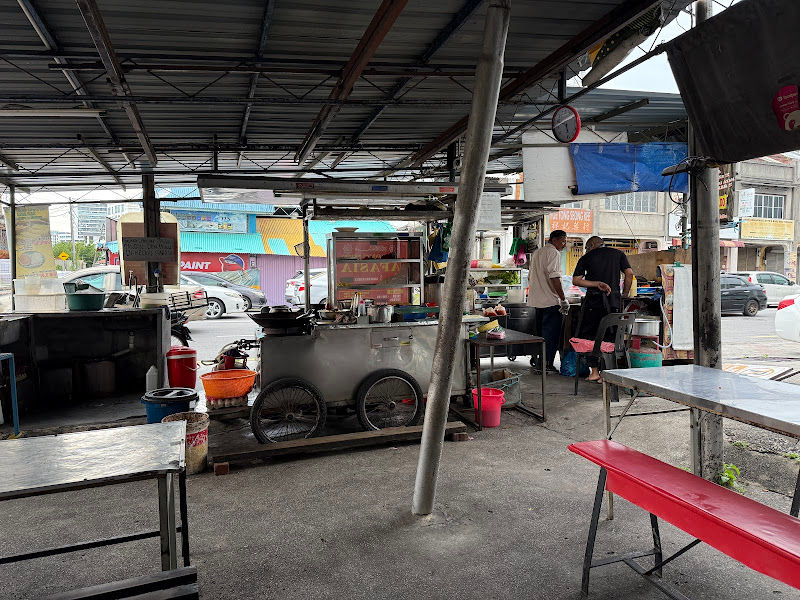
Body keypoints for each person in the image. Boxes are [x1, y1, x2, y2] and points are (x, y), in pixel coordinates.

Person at [572, 236, 634, 383]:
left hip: (593, 303)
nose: (586, 250)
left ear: (591, 245)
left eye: (587, 247)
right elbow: (629, 273)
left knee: (591, 337)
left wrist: (595, 283)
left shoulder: (587, 257)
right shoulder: (618, 254)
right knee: (610, 335)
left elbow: (576, 280)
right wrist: (624, 293)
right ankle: (605, 373)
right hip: (613, 301)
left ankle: (594, 372)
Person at [527, 230, 569, 373]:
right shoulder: (554, 253)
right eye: (563, 241)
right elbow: (554, 277)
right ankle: (546, 365)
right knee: (551, 336)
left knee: (540, 335)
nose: (564, 244)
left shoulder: (537, 253)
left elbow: (530, 277)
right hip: (551, 302)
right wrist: (563, 299)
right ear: (554, 240)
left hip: (537, 301)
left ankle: (539, 362)